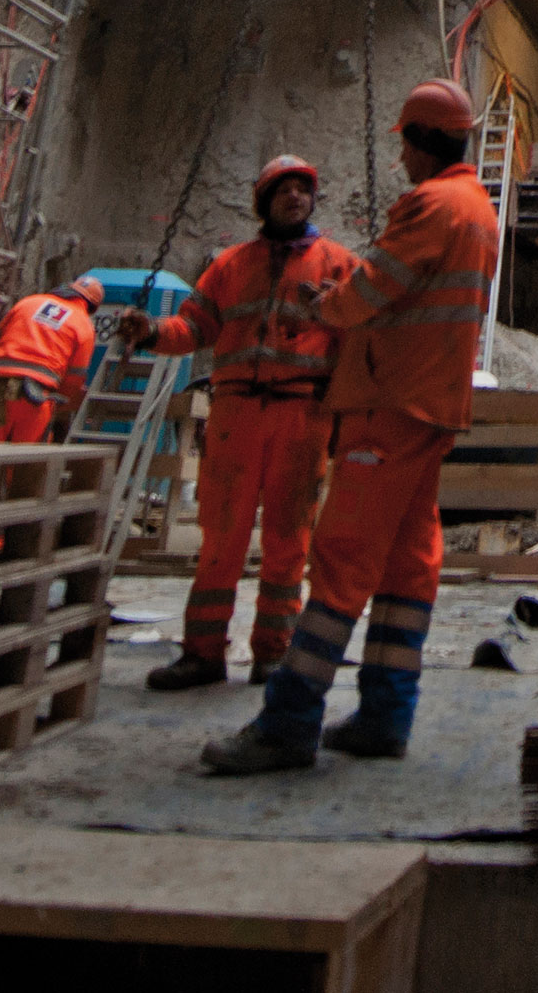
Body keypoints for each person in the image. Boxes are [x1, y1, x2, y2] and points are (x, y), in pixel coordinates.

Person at [200, 78, 501, 775]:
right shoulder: (479, 208)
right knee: (406, 564)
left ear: (420, 140)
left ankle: (288, 721)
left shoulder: (430, 204)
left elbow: (371, 292)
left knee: (339, 557)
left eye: (405, 144)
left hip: (388, 407)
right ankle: (385, 714)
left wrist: (325, 308)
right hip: (430, 409)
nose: (402, 159)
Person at [134, 155, 355, 689]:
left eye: (303, 189)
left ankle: (273, 653)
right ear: (264, 202)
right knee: (221, 537)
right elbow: (193, 328)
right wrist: (151, 332)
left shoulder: (339, 265)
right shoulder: (231, 266)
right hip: (236, 413)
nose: (295, 197)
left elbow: (358, 339)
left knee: (288, 538)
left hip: (302, 415)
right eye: (284, 190)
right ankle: (203, 653)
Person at [0, 271, 106, 442]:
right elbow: (74, 378)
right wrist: (60, 403)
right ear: (92, 307)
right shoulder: (84, 325)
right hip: (35, 396)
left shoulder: (28, 302)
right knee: (21, 455)